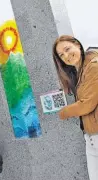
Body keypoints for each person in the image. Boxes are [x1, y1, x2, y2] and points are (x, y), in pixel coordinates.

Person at [52, 35, 98, 180]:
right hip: (90, 137)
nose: (66, 55)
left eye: (67, 49)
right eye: (61, 55)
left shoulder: (94, 66)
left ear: (77, 44)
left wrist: (64, 112)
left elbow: (87, 103)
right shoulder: (78, 72)